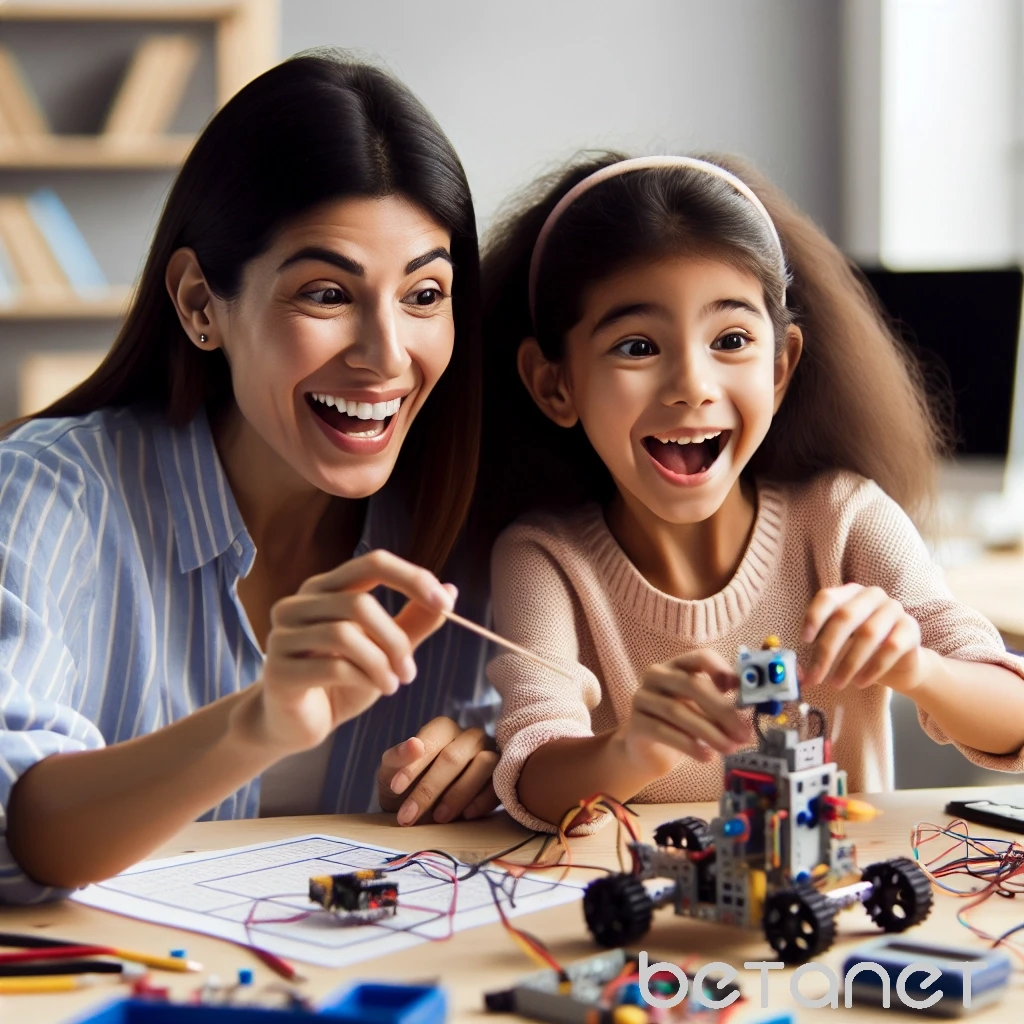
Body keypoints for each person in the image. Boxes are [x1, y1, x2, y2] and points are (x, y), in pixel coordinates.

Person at [0, 52, 499, 905]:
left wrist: (500, 772)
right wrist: (254, 722)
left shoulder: (481, 529)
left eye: (424, 294)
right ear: (200, 304)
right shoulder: (51, 496)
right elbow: (14, 829)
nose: (386, 356)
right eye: (327, 293)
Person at [477, 153, 1024, 833]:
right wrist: (629, 751)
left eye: (731, 339)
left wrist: (920, 669)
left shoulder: (845, 518)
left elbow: (1014, 722)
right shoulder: (545, 559)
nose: (692, 384)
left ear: (780, 367)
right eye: (637, 347)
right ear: (554, 384)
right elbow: (533, 776)